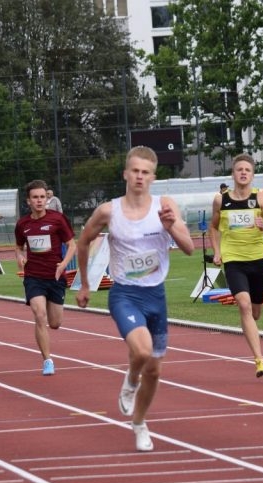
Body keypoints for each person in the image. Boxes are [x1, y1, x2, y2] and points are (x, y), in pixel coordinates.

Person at [75, 146, 194, 452]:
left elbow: (189, 247)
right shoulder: (108, 211)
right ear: (125, 174)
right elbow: (84, 241)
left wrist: (171, 227)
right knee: (141, 352)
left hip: (157, 295)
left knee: (154, 371)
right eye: (135, 171)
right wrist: (85, 284)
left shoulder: (165, 205)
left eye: (146, 172)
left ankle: (139, 424)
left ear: (153, 177)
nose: (140, 177)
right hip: (125, 294)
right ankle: (130, 381)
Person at [210, 153, 263, 378]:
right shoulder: (220, 200)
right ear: (233, 173)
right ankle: (259, 360)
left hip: (257, 259)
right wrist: (217, 251)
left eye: (247, 170)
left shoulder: (261, 199)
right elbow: (213, 227)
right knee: (243, 305)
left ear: (252, 175)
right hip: (234, 260)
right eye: (239, 169)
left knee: (255, 312)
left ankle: (252, 325)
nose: (243, 173)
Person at [15, 180, 77, 376]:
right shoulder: (22, 224)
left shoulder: (58, 219)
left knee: (55, 323)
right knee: (39, 315)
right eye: (35, 197)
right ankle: (47, 360)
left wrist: (63, 264)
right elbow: (18, 247)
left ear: (47, 199)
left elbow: (72, 245)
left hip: (55, 276)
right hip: (34, 276)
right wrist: (20, 256)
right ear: (28, 201)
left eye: (42, 197)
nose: (39, 201)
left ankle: (48, 351)